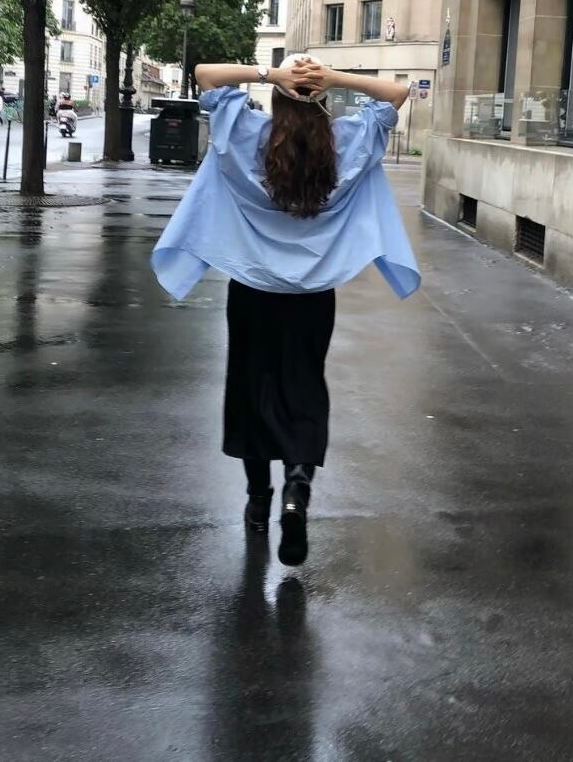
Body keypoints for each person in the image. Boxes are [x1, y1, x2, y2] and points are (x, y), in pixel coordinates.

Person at [151, 55, 419, 567]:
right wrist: (329, 78)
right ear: (323, 103)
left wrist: (272, 75)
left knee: (251, 389)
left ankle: (259, 500)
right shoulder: (346, 143)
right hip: (313, 293)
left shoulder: (245, 134)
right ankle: (297, 487)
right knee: (304, 386)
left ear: (277, 98)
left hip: (253, 287)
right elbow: (396, 93)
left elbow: (205, 75)